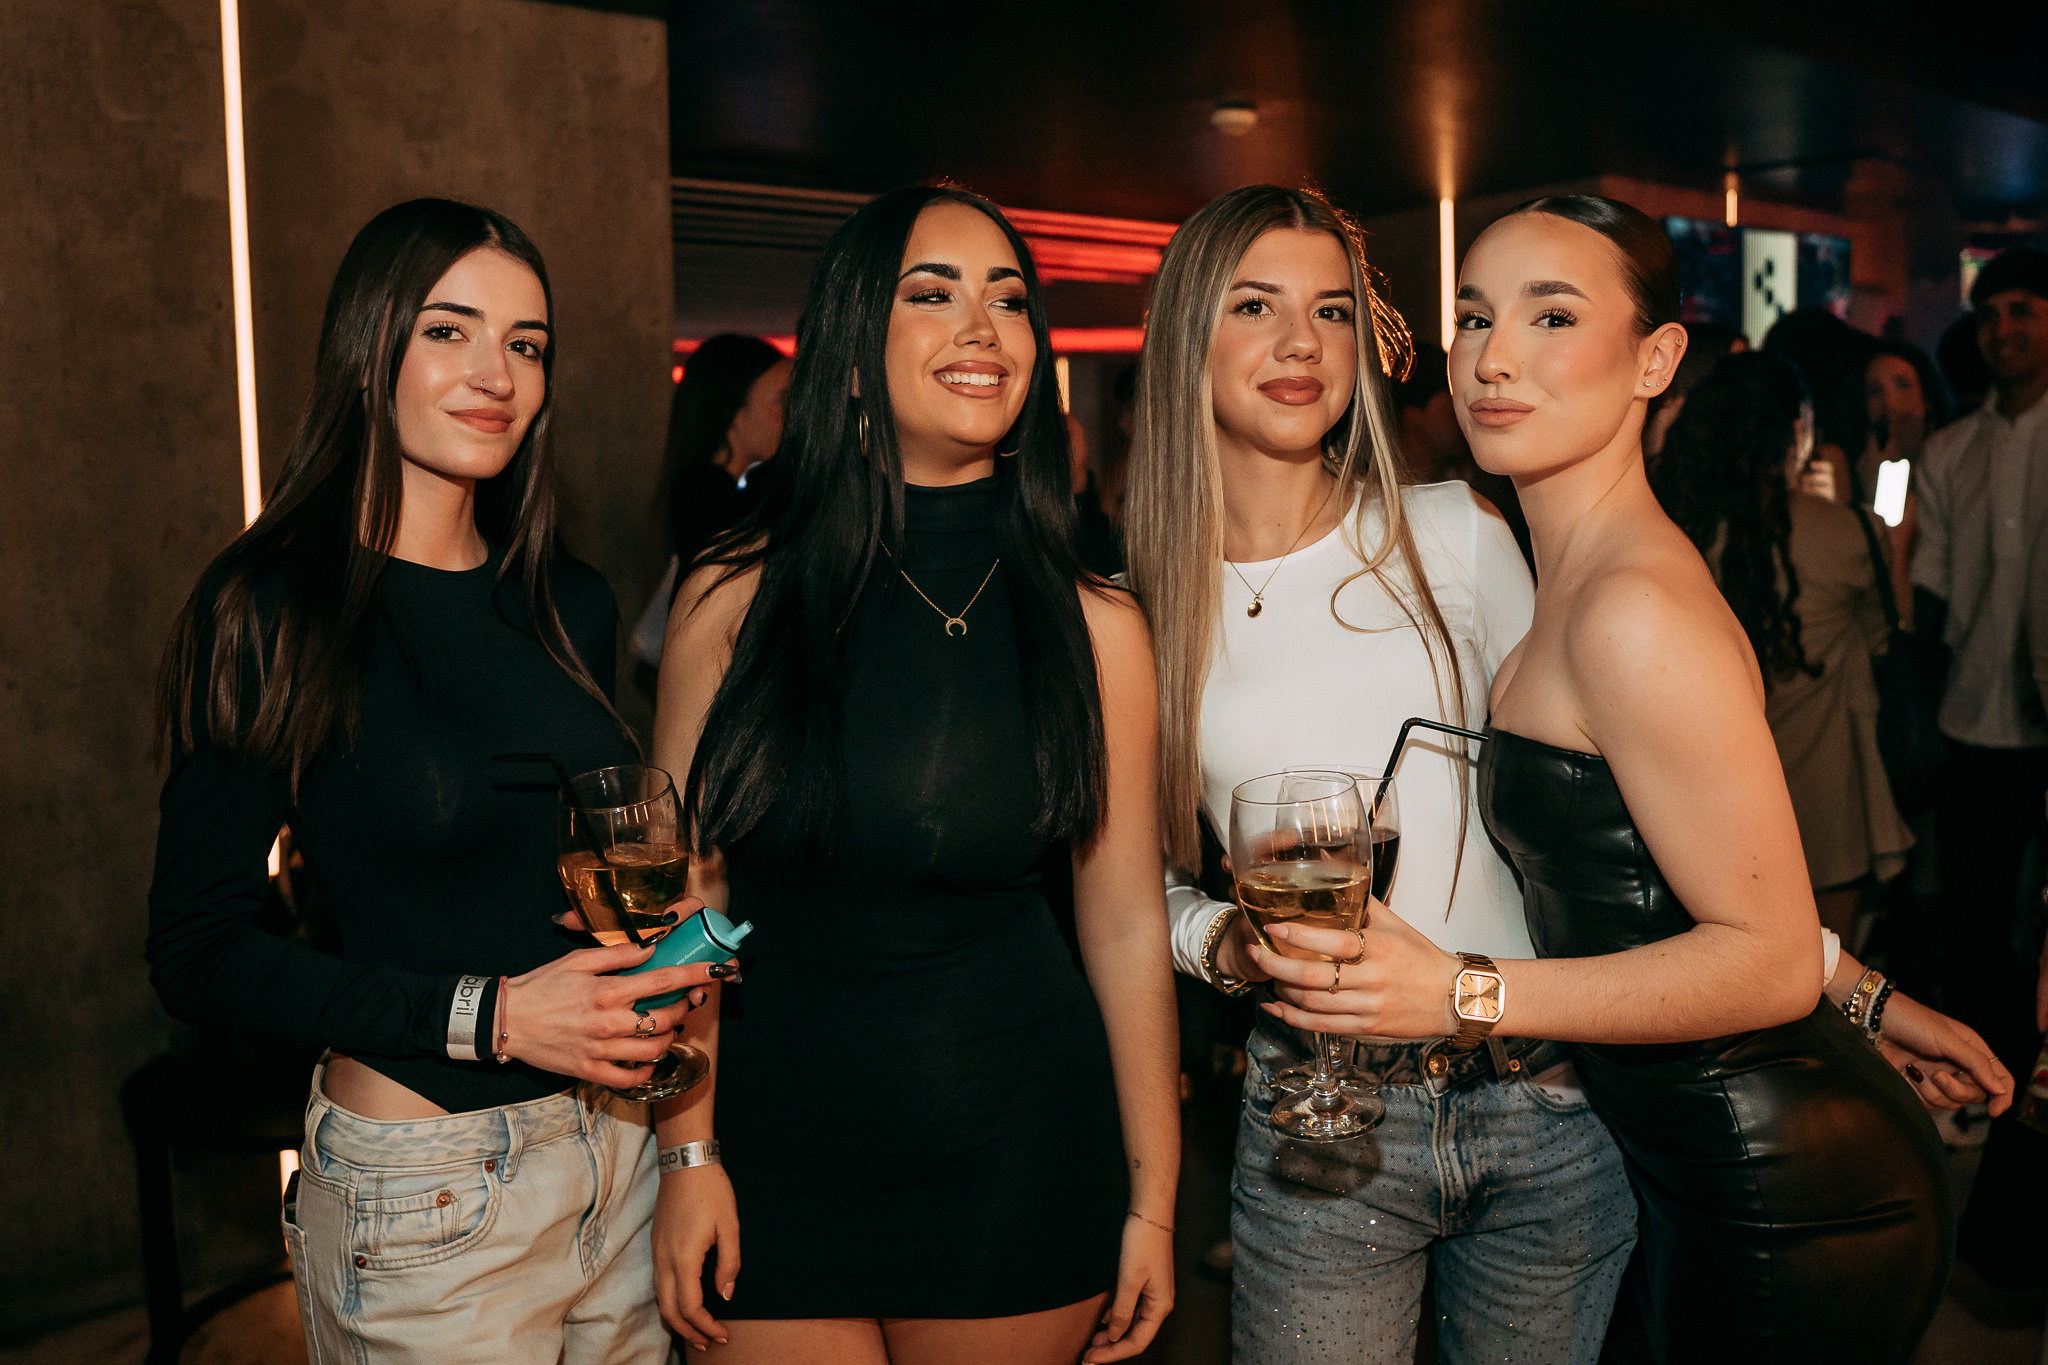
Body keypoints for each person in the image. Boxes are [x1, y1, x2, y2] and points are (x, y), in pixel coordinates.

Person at [1245, 194, 2011, 1362]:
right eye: (1473, 317)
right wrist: (1865, 1000)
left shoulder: (1630, 609)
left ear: (1653, 361)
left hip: (1778, 1198)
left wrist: (1463, 994)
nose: (1493, 358)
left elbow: (1757, 955)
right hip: (1685, 1163)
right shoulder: (1571, 583)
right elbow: (1678, 875)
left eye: (1551, 317)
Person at [146, 199, 723, 1362]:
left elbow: (584, 873)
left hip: (615, 1160)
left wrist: (679, 965)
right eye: (448, 330)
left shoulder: (570, 602)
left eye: (525, 344)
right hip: (427, 1196)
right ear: (370, 349)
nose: (495, 374)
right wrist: (490, 1013)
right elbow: (196, 950)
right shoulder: (272, 611)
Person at [647, 186, 1180, 1364]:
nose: (981, 326)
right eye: (932, 294)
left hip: (1014, 1159)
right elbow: (685, 896)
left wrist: (1153, 1202)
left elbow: (1125, 925)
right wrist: (684, 1155)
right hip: (766, 1159)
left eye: (1008, 299)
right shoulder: (732, 597)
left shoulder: (1095, 624)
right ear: (849, 349)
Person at [1126, 183, 1635, 1365]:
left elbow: (1613, 813)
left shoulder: (1452, 532)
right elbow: (1125, 891)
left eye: (1331, 311)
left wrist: (1841, 982)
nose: (1300, 343)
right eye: (1254, 306)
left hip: (1541, 1097)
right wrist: (1222, 943)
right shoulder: (1138, 614)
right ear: (1186, 336)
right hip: (1323, 1113)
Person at [1653, 351, 1913, 939]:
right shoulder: (1848, 532)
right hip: (1826, 810)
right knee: (1831, 979)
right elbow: (1886, 639)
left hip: (1705, 815)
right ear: (1796, 433)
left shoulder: (1673, 533)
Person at [1911, 246, 2048, 1066]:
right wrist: (1919, 703)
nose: (2002, 330)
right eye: (1990, 315)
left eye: (2021, 310)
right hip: (1970, 717)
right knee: (1977, 908)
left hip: (2043, 716)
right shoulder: (1950, 450)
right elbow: (1929, 583)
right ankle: (1982, 1068)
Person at [630, 334, 791, 672]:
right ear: (735, 411)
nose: (791, 417)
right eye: (781, 401)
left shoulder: (715, 487)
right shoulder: (702, 491)